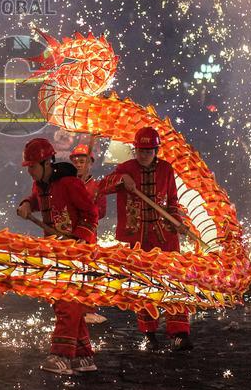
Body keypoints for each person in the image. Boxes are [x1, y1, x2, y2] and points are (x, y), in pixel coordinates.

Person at [98, 126, 192, 351]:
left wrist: (176, 220)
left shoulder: (167, 170)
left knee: (174, 283)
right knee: (144, 284)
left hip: (165, 238)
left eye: (149, 150)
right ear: (135, 149)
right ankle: (149, 332)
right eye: (141, 150)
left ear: (156, 150)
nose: (144, 155)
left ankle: (179, 331)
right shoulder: (125, 168)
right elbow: (103, 186)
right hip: (138, 238)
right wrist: (122, 179)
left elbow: (172, 202)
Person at [16, 137, 99, 375]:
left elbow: (90, 213)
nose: (30, 171)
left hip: (77, 254)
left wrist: (81, 238)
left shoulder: (69, 184)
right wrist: (26, 204)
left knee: (67, 303)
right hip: (55, 252)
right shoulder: (40, 185)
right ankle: (83, 358)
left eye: (32, 166)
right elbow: (34, 199)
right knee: (65, 302)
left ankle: (61, 355)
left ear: (46, 163)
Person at [69, 143, 108, 325]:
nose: (78, 164)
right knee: (71, 271)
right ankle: (70, 307)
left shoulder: (97, 187)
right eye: (75, 160)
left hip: (89, 234)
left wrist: (89, 207)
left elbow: (102, 211)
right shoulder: (68, 184)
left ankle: (89, 309)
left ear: (90, 163)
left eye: (82, 160)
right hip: (69, 235)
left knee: (88, 272)